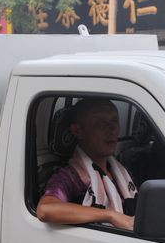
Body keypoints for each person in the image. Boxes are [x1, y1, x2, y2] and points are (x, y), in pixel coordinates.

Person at [37, 98, 137, 230]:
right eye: (101, 123)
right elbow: (46, 209)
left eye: (114, 121)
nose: (112, 129)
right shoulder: (72, 176)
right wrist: (110, 215)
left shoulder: (122, 170)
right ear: (78, 131)